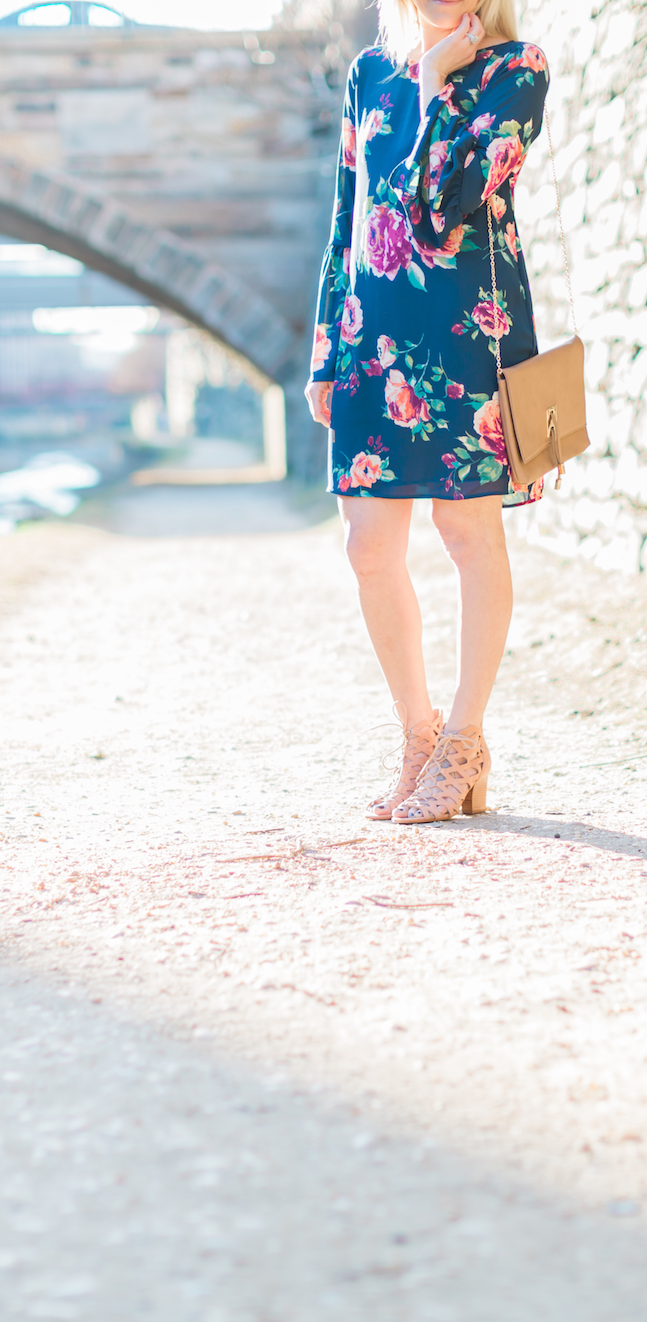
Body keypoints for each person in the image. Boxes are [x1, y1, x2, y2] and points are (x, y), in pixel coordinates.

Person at [305, 0, 548, 824]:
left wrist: (438, 81)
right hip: (372, 341)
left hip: (465, 338)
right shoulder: (370, 76)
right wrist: (325, 350)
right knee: (368, 546)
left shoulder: (517, 71)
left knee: (466, 532)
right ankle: (419, 734)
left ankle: (466, 739)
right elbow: (351, 215)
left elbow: (448, 200)